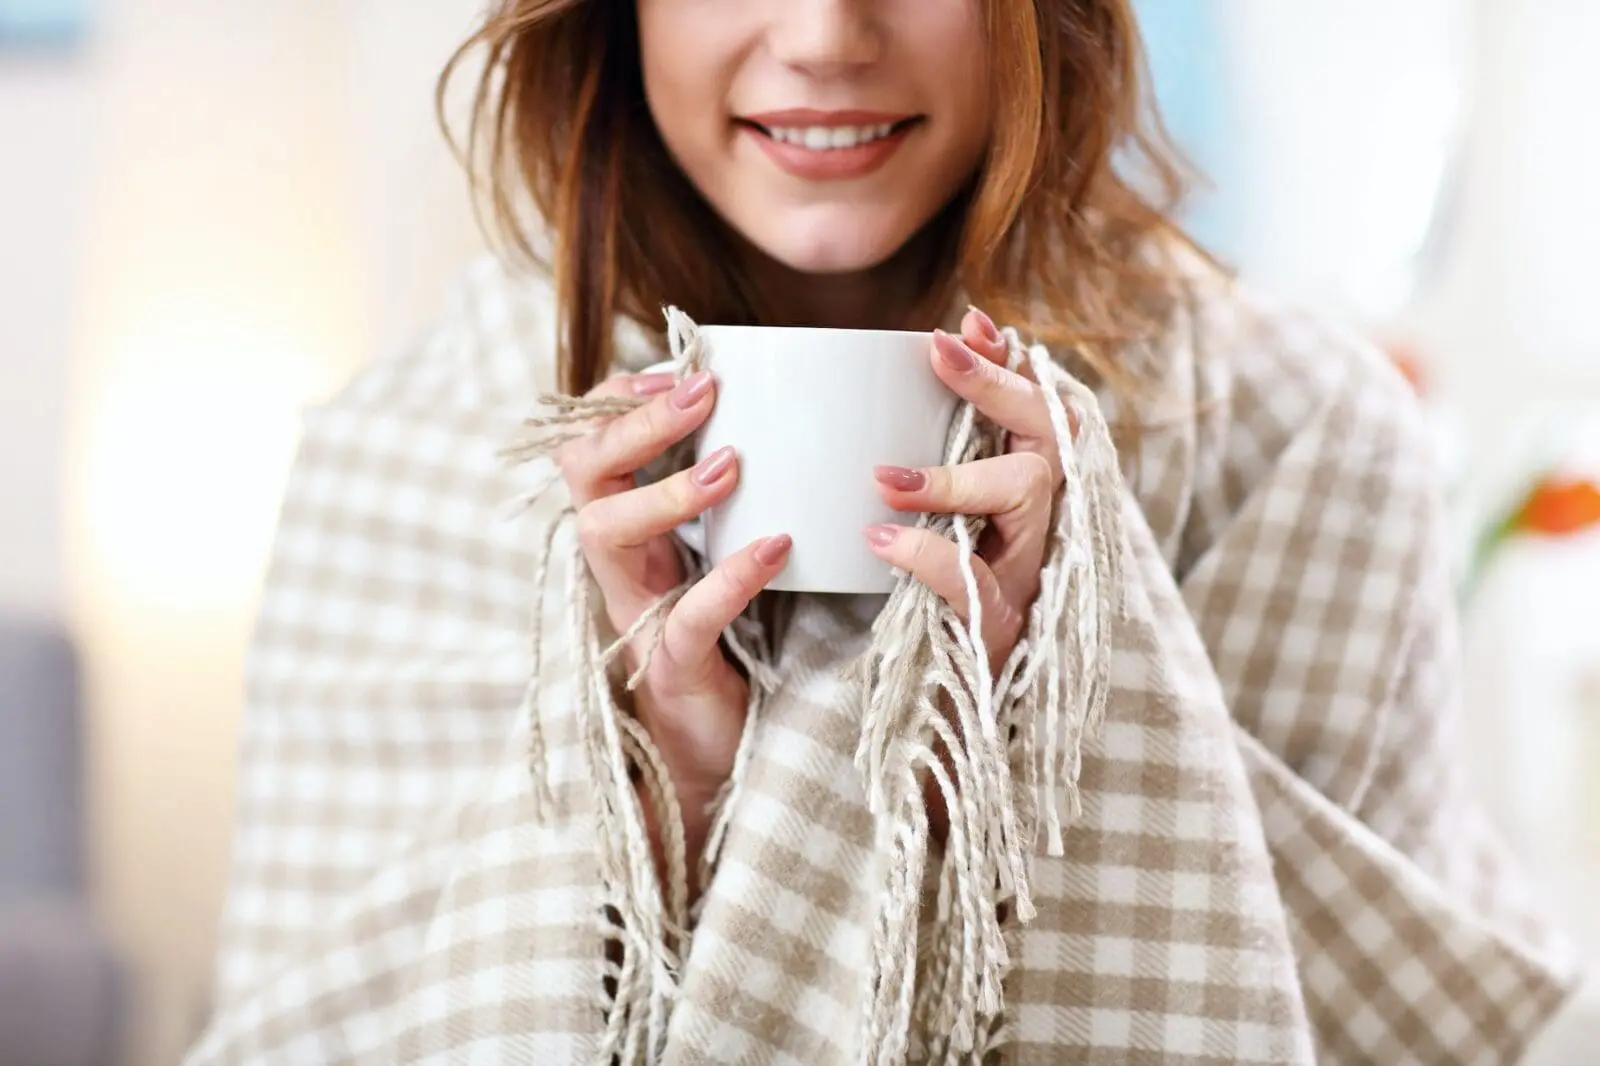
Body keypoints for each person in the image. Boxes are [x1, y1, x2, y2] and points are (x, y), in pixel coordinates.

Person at [185, 1, 1582, 1063]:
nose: (826, 39)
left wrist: (1060, 728)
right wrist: (662, 783)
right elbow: (327, 1018)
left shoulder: (1299, 435)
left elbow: (1400, 1009)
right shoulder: (411, 455)